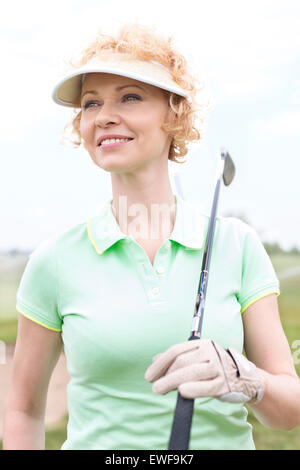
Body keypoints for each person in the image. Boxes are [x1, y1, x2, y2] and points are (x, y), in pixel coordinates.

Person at [3, 23, 300, 451]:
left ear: (173, 113)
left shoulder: (237, 244)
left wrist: (246, 379)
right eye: (91, 104)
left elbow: (288, 414)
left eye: (130, 97)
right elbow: (23, 411)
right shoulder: (53, 261)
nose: (104, 115)